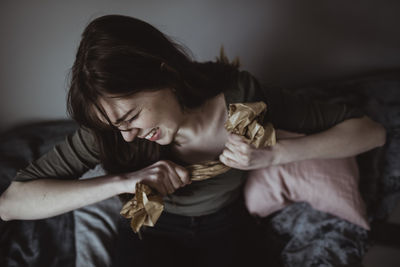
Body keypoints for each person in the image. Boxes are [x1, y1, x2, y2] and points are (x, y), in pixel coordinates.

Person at [0, 14, 386, 267]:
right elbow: (12, 203)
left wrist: (275, 156)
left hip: (226, 224)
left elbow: (370, 132)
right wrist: (121, 182)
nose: (127, 134)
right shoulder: (113, 132)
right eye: (116, 126)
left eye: (132, 116)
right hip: (152, 230)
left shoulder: (244, 99)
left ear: (165, 74)